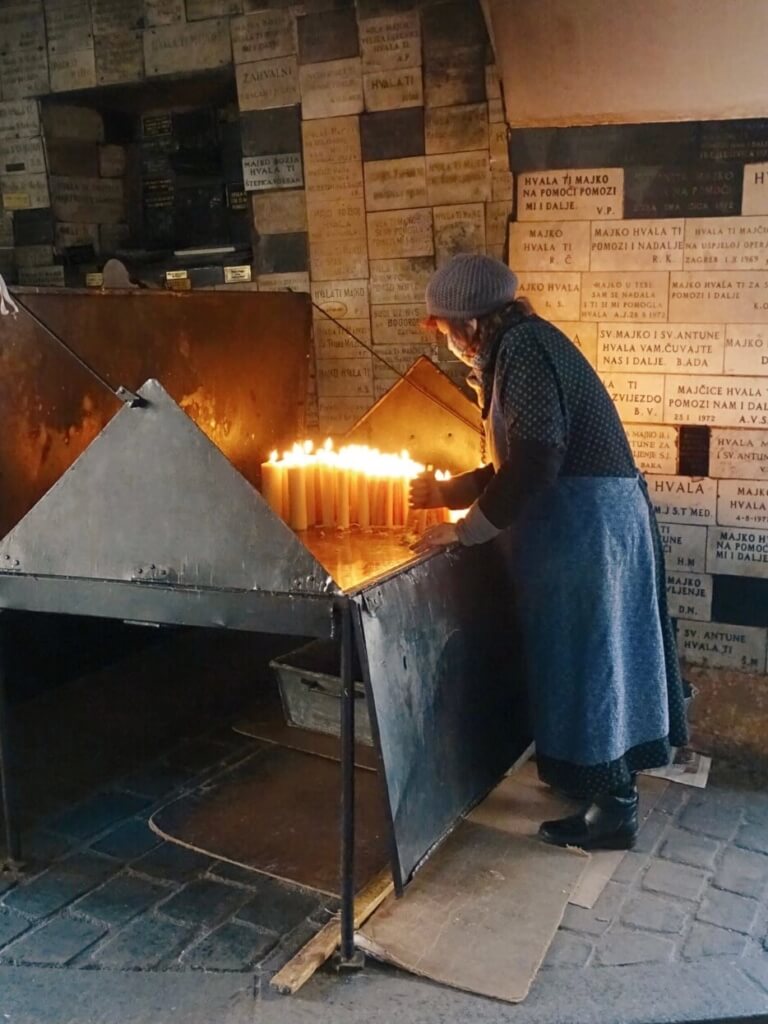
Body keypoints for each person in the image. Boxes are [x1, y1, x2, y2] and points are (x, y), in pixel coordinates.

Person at [411, 253, 687, 851]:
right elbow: (514, 460)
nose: (447, 345)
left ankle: (614, 810)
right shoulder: (520, 347)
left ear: (470, 323)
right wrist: (451, 491)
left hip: (586, 526)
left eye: (446, 331)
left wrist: (466, 530)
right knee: (586, 656)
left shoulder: (525, 351)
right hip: (587, 522)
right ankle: (591, 782)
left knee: (590, 660)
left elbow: (536, 459)